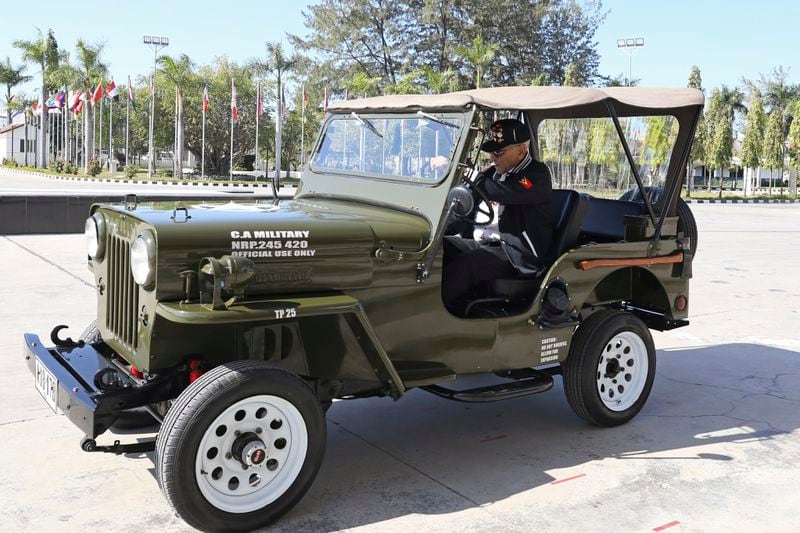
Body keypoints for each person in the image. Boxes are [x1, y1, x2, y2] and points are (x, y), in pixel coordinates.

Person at [442, 118, 553, 311]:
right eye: (491, 152)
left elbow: (506, 191)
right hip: (481, 243)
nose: (493, 158)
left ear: (520, 150)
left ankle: (438, 316)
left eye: (499, 152)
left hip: (515, 251)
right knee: (441, 247)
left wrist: (461, 174)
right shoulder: (491, 174)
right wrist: (435, 231)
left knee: (469, 264)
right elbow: (464, 208)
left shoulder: (536, 175)